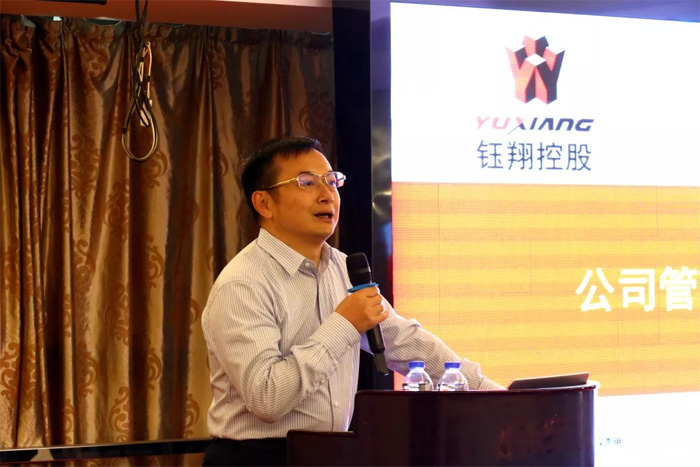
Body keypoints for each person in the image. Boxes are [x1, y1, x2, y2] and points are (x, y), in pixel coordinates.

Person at [201, 136, 503, 466]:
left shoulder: (344, 269)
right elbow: (267, 397)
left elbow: (407, 343)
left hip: (332, 453)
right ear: (264, 203)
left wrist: (501, 399)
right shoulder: (243, 284)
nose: (327, 194)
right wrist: (344, 325)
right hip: (257, 458)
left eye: (332, 181)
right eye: (307, 182)